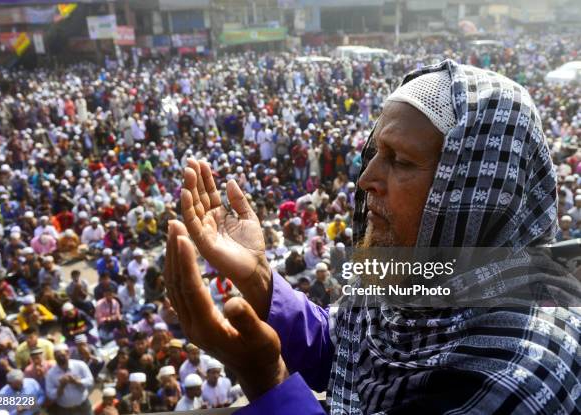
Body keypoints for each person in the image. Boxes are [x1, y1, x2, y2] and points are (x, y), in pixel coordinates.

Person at [164, 58, 581, 415]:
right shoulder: (424, 275)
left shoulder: (514, 377)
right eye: (374, 153)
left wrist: (265, 377)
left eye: (399, 161)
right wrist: (259, 279)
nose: (365, 179)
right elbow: (347, 347)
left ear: (477, 196)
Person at [45, 343, 94, 415]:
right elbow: (51, 395)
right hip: (65, 410)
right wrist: (61, 386)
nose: (61, 358)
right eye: (58, 356)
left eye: (62, 355)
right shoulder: (50, 374)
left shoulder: (80, 365)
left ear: (68, 353)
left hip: (83, 406)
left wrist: (77, 381)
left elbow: (90, 382)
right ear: (54, 357)